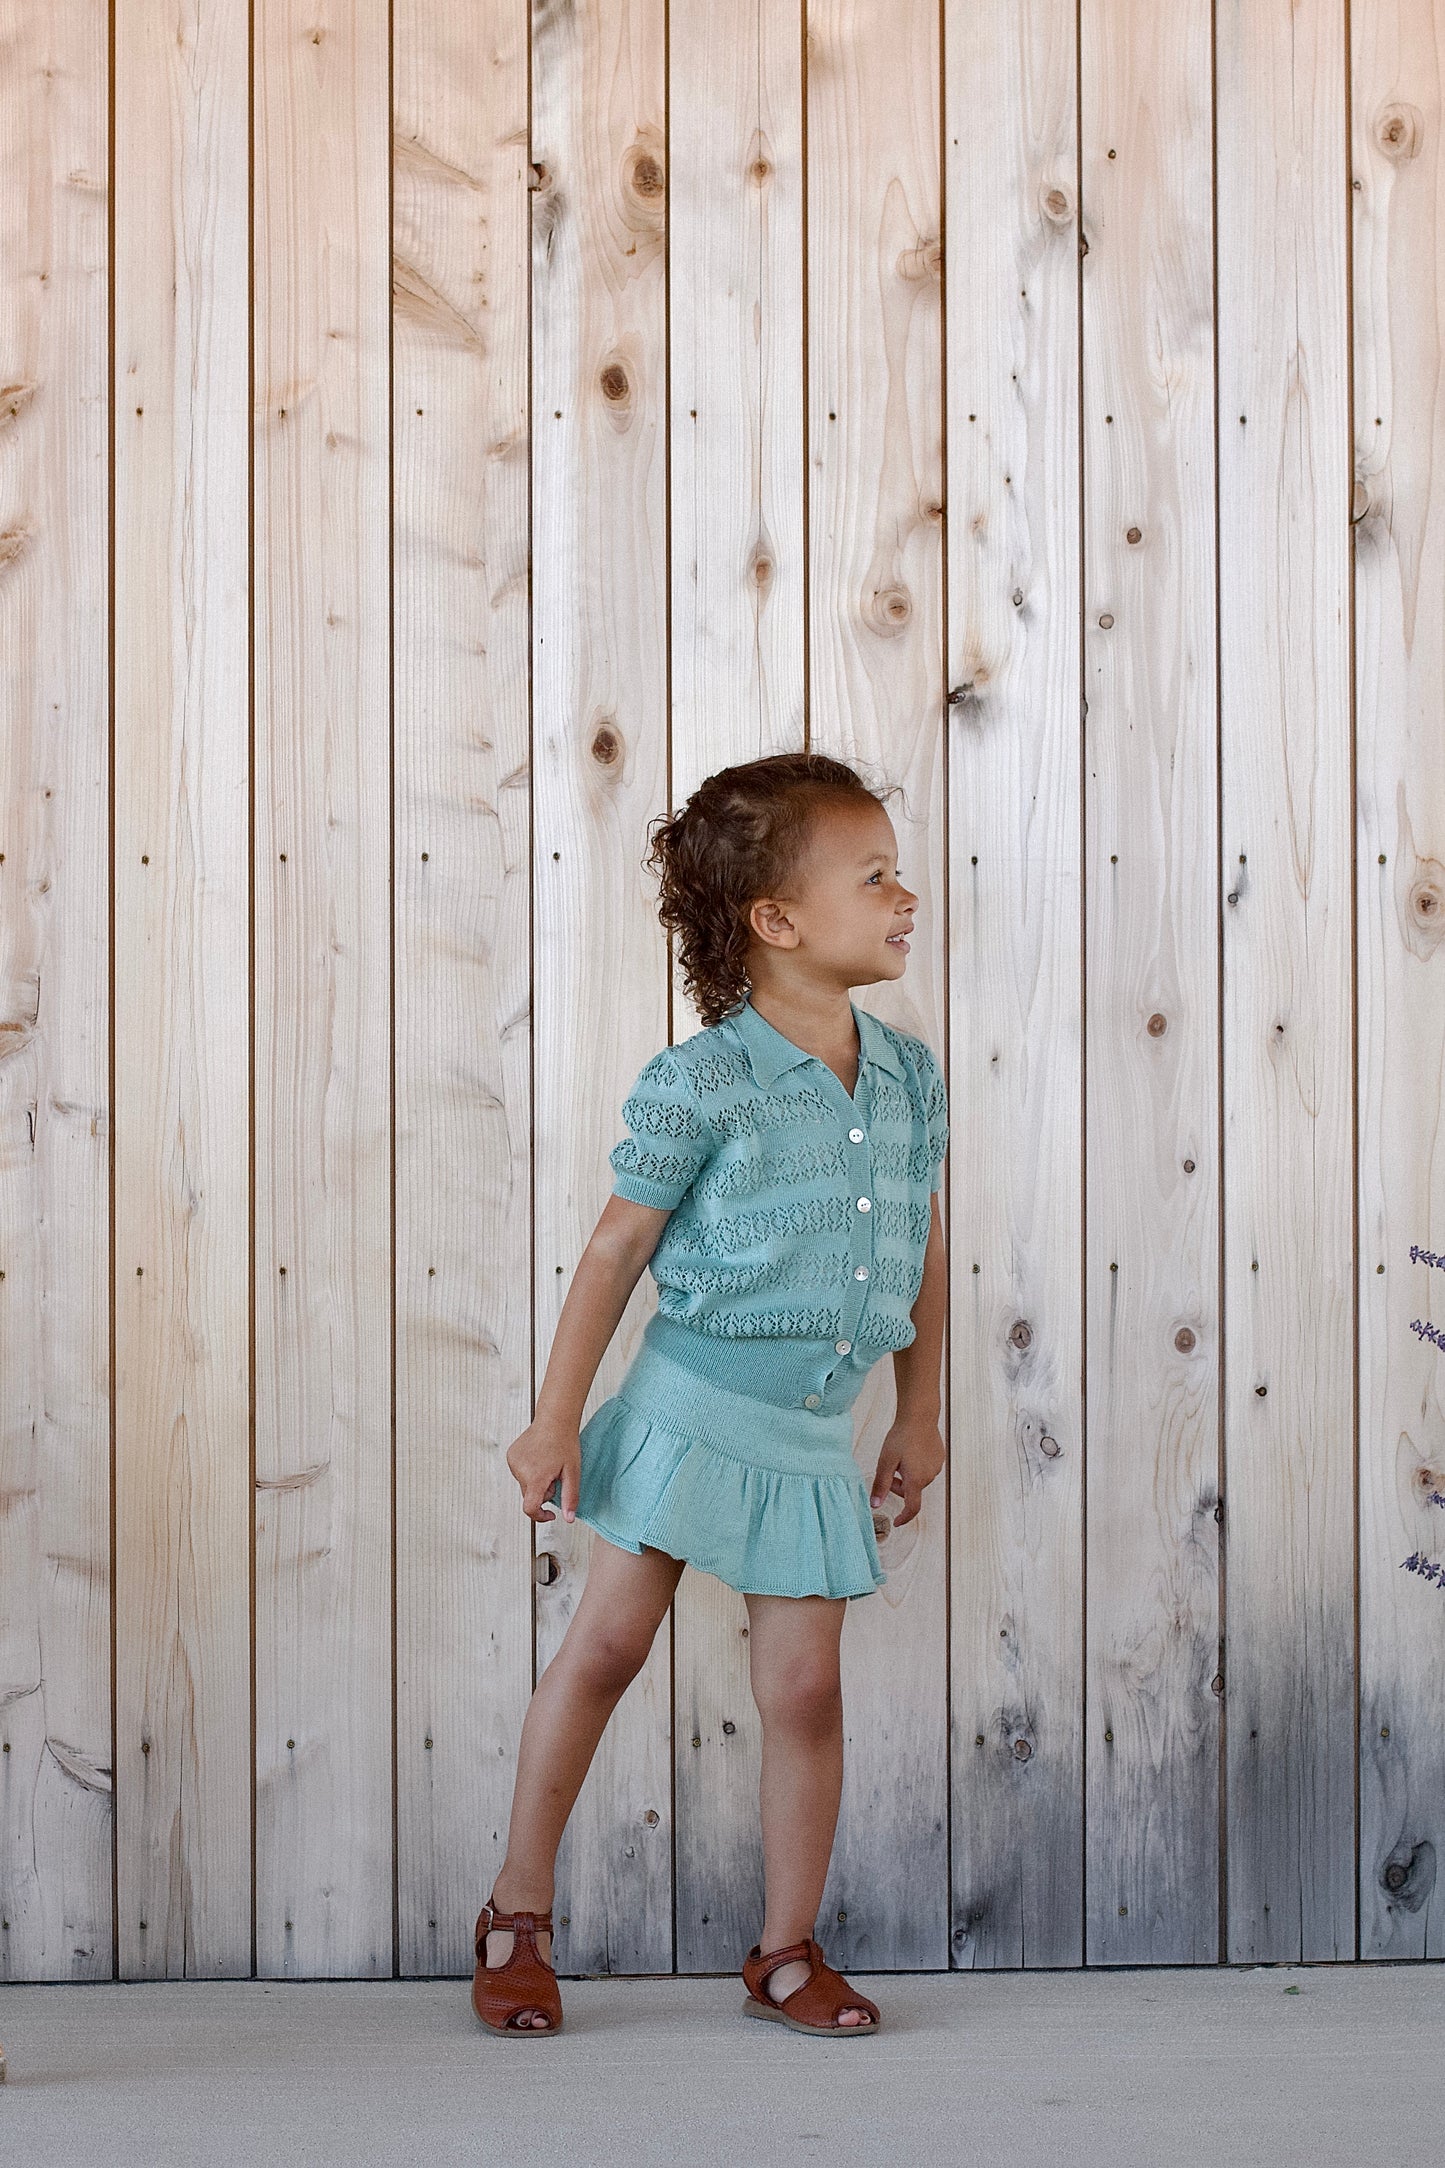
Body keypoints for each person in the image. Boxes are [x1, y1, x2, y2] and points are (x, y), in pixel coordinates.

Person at [471, 750, 948, 2039]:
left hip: (810, 1436)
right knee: (608, 1650)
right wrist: (556, 1417)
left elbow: (922, 1242)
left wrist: (918, 1413)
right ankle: (518, 1912)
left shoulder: (908, 1077)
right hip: (687, 1414)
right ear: (777, 921)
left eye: (898, 872)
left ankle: (785, 1951)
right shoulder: (705, 1082)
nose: (906, 896)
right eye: (876, 877)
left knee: (805, 1695)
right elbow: (616, 1249)